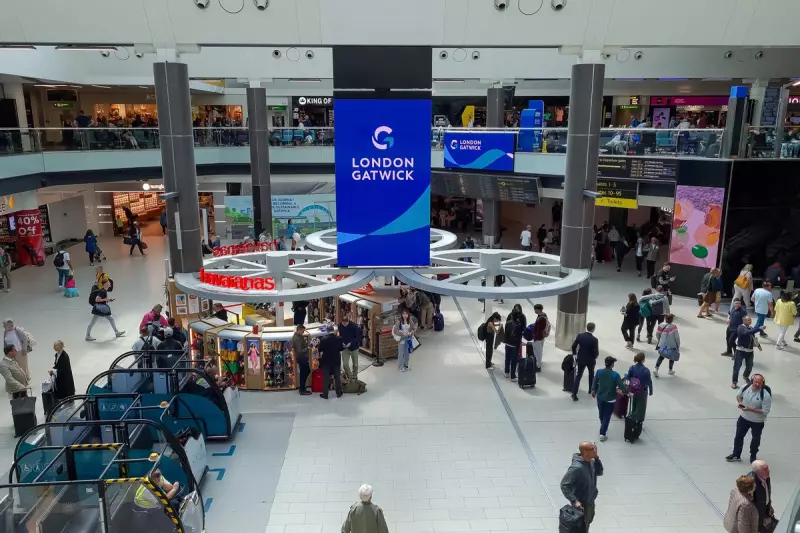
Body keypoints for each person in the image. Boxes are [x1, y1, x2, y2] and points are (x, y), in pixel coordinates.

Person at [727, 374, 771, 463]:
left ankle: (753, 456)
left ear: (763, 383)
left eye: (760, 382)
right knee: (738, 436)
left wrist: (749, 409)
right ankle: (736, 454)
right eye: (756, 382)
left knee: (755, 439)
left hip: (757, 421)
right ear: (752, 381)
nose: (757, 384)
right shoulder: (745, 387)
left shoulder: (765, 395)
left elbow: (765, 411)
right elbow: (738, 396)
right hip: (743, 418)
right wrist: (740, 402)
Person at [560, 441, 604, 531]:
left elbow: (599, 472)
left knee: (587, 523)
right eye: (592, 449)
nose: (595, 450)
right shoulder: (577, 468)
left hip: (590, 501)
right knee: (581, 528)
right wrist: (574, 501)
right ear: (585, 452)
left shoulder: (591, 462)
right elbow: (564, 485)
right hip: (581, 505)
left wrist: (597, 458)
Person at [591, 356, 626, 441]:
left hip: (600, 397)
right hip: (610, 399)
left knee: (601, 414)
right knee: (607, 415)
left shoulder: (599, 372)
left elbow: (594, 382)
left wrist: (593, 390)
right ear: (612, 364)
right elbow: (621, 385)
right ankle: (602, 433)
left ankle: (603, 425)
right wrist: (625, 392)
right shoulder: (615, 374)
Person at [732, 316, 764, 389]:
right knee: (737, 367)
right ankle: (734, 382)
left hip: (749, 351)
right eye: (748, 320)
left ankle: (745, 376)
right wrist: (758, 329)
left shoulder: (751, 328)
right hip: (740, 350)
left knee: (749, 366)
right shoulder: (741, 328)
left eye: (750, 320)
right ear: (744, 321)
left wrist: (758, 345)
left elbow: (752, 337)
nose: (750, 321)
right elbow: (747, 333)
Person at [571, 322, 599, 401]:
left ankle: (574, 393)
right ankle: (591, 389)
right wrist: (594, 357)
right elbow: (596, 352)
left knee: (579, 375)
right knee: (591, 374)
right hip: (590, 360)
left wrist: (574, 354)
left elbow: (574, 346)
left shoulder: (580, 336)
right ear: (593, 329)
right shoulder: (594, 340)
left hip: (581, 358)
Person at [626, 352, 653, 423]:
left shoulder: (632, 368)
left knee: (634, 403)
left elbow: (628, 378)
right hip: (642, 391)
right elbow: (649, 381)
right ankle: (639, 419)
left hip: (633, 389)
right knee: (641, 406)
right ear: (643, 360)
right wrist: (651, 391)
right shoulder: (646, 370)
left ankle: (633, 416)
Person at [749, 460, 774, 533]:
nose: (769, 470)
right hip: (756, 515)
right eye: (765, 469)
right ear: (757, 472)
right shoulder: (751, 483)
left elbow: (766, 492)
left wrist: (769, 505)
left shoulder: (766, 477)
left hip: (764, 509)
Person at [318, 329, 343, 398]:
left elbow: (320, 349)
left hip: (326, 361)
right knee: (337, 377)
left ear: (327, 331)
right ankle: (338, 393)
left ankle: (325, 394)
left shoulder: (323, 339)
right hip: (336, 361)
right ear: (333, 331)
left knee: (325, 378)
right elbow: (341, 348)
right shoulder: (339, 338)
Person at [503, 305, 526, 380]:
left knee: (507, 358)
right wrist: (520, 342)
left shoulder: (508, 322)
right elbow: (519, 334)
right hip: (514, 345)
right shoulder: (518, 324)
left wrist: (505, 341)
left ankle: (506, 372)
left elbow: (505, 332)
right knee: (514, 360)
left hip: (508, 343)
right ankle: (512, 376)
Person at [654, 314, 680, 378]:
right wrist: (678, 344)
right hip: (672, 344)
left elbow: (657, 334)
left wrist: (660, 340)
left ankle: (656, 369)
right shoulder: (674, 327)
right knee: (672, 357)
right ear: (672, 319)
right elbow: (677, 337)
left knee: (661, 356)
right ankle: (670, 370)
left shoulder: (661, 325)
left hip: (663, 344)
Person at [339, 314, 361, 380]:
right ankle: (349, 376)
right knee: (345, 364)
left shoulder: (354, 327)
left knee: (355, 364)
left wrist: (350, 343)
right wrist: (341, 342)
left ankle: (354, 376)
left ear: (348, 321)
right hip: (345, 348)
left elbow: (358, 337)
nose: (344, 324)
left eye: (345, 323)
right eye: (343, 323)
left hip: (354, 348)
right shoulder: (340, 326)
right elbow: (340, 336)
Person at [292, 325, 312, 396]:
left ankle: (302, 387)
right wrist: (308, 348)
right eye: (303, 331)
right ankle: (302, 389)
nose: (303, 332)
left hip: (303, 357)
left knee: (307, 371)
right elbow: (299, 351)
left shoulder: (299, 336)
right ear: (299, 330)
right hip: (302, 358)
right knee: (304, 373)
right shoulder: (297, 338)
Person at [530, 303, 549, 368]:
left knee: (538, 352)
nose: (534, 311)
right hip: (542, 336)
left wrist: (534, 338)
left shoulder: (541, 319)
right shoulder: (544, 315)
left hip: (538, 337)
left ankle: (538, 365)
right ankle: (539, 362)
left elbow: (539, 330)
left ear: (538, 310)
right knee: (540, 350)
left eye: (535, 309)